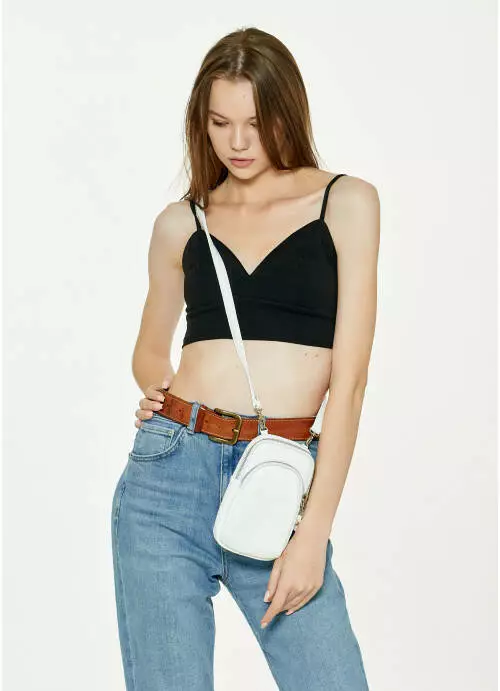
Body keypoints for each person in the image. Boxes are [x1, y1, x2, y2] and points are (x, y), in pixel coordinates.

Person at [111, 25, 379, 691]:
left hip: (278, 481)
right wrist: (156, 389)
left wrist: (313, 532)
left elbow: (348, 384)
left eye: (255, 123)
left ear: (288, 112)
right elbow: (150, 344)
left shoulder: (345, 203)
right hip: (168, 476)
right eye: (219, 123)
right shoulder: (183, 221)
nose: (236, 143)